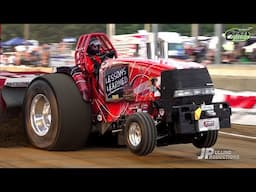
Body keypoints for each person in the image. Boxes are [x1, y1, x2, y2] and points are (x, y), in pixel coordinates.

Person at [70, 37, 115, 102]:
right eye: (95, 45)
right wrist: (100, 62)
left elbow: (104, 60)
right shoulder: (87, 57)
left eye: (99, 45)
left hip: (103, 76)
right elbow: (90, 69)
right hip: (93, 78)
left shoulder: (98, 55)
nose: (98, 47)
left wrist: (108, 56)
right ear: (89, 46)